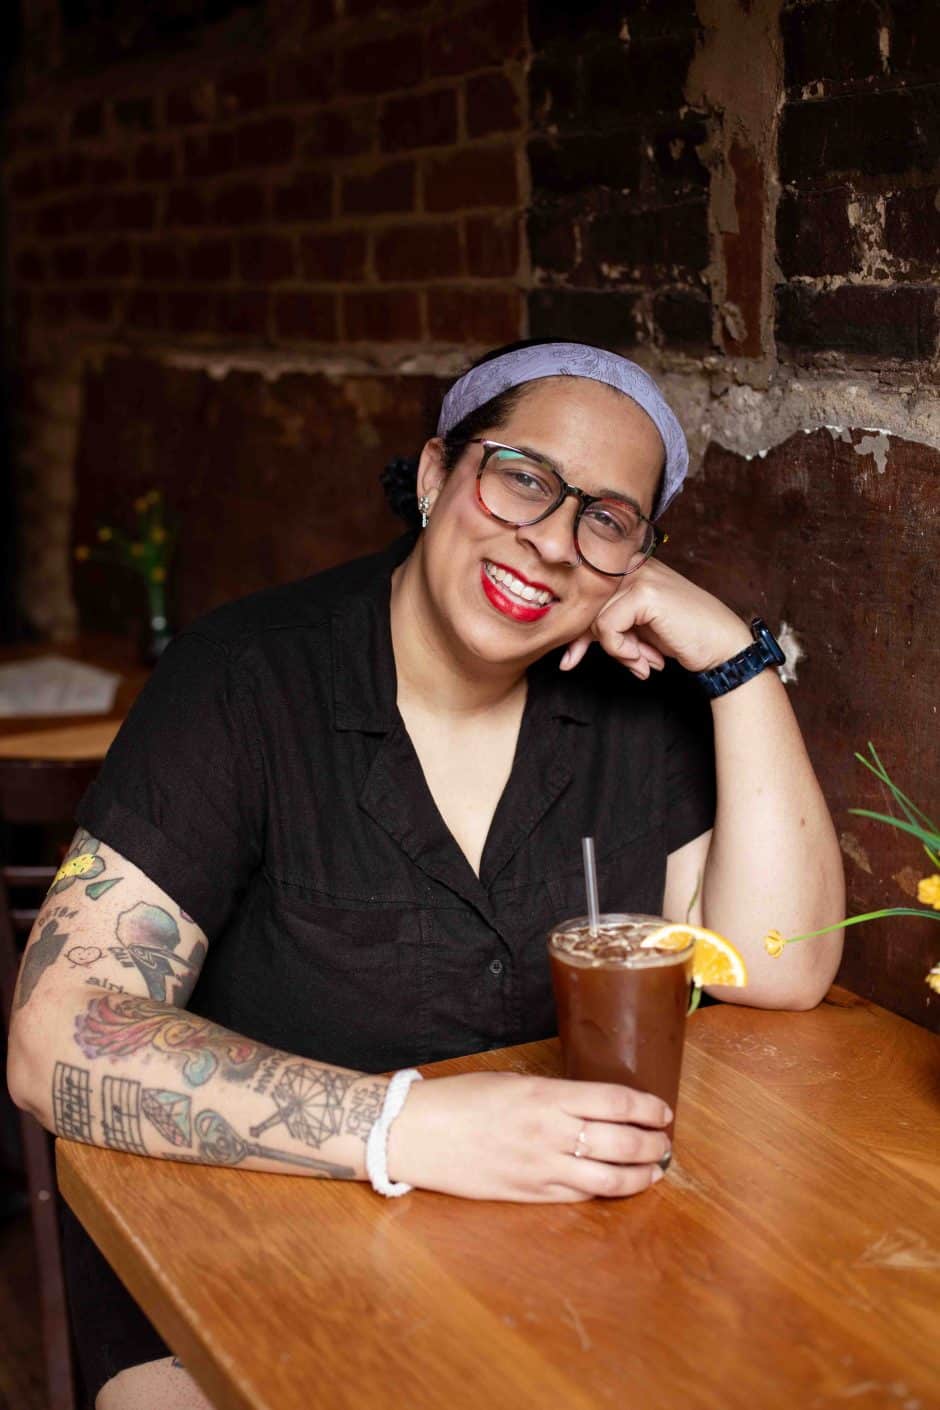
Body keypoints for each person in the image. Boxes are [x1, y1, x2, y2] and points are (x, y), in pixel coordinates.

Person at [7, 340, 845, 1409]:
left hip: (541, 1266)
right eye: (523, 478)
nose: (551, 543)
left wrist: (732, 658)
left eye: (606, 520)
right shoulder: (247, 676)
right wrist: (404, 1127)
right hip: (240, 1263)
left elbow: (778, 967)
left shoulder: (638, 713)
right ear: (437, 472)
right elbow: (54, 1035)